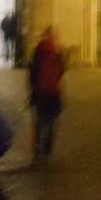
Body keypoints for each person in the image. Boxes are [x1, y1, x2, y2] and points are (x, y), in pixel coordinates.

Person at [28, 27, 65, 164]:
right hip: (53, 93)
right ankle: (47, 150)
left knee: (38, 122)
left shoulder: (38, 50)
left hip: (39, 93)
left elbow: (32, 71)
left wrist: (33, 86)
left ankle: (37, 150)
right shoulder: (58, 52)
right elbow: (61, 71)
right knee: (50, 122)